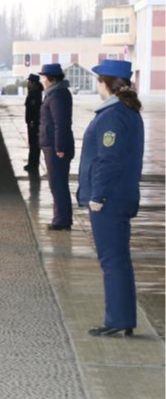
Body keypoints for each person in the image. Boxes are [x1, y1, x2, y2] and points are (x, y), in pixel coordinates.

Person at [76, 59, 144, 337]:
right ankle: (123, 318)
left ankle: (117, 320)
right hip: (121, 195)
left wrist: (98, 196)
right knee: (118, 259)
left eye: (98, 81)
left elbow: (109, 161)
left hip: (109, 199)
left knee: (112, 261)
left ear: (106, 83)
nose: (97, 85)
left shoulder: (112, 116)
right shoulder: (127, 111)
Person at [39, 63, 74, 231]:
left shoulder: (58, 96)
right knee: (57, 183)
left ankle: (61, 220)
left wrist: (60, 147)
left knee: (58, 184)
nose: (42, 80)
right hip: (52, 145)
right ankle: (61, 217)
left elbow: (61, 124)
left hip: (55, 147)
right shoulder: (54, 94)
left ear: (51, 79)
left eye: (43, 77)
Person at [24, 74, 43, 173]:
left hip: (34, 124)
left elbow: (34, 110)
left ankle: (33, 164)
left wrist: (31, 121)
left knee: (34, 144)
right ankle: (32, 163)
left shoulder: (34, 94)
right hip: (33, 123)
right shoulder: (35, 92)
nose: (28, 83)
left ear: (33, 82)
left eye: (29, 81)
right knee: (33, 143)